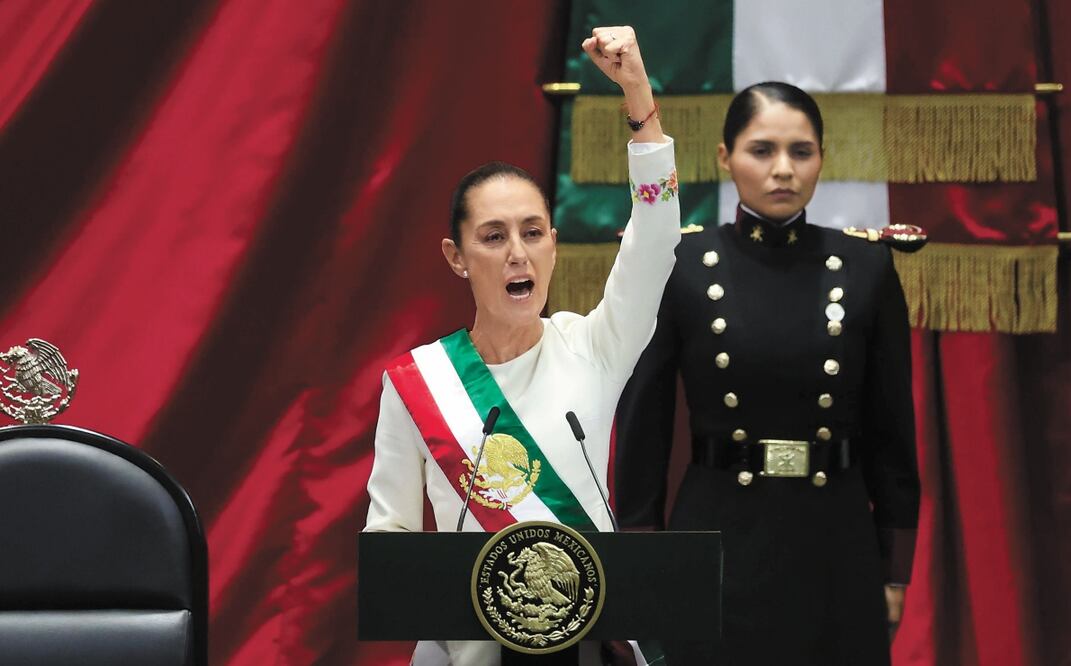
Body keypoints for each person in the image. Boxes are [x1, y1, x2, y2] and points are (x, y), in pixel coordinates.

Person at [364, 26, 679, 666]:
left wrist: (639, 99)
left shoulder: (594, 347)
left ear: (554, 245)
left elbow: (654, 240)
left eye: (533, 232)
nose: (517, 253)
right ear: (456, 257)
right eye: (493, 237)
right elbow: (390, 542)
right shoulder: (417, 382)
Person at [615, 82, 921, 665]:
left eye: (801, 151)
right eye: (762, 150)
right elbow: (643, 433)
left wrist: (894, 571)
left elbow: (893, 438)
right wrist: (641, 562)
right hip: (716, 537)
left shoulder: (866, 267)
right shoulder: (682, 265)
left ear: (822, 158)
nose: (783, 169)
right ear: (724, 157)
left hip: (835, 542)